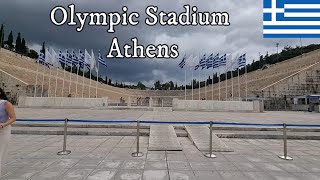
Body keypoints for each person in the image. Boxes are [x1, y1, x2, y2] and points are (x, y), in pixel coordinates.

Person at [0, 88, 16, 176]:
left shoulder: (6, 104)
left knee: (0, 153)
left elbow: (13, 117)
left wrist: (3, 125)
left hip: (3, 130)